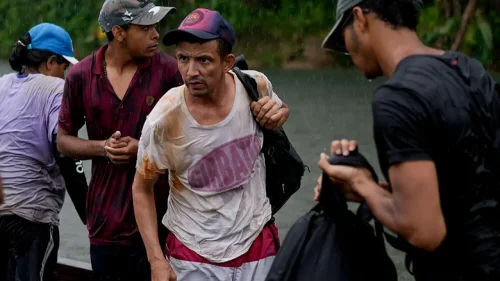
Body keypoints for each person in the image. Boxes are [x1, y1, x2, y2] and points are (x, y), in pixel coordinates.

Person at [316, 0, 500, 280]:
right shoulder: (468, 70)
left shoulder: (398, 98)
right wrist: (372, 188)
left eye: (344, 39)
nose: (349, 53)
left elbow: (424, 230)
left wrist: (360, 183)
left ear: (360, 18)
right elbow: (466, 185)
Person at [132, 8, 290, 281]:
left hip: (257, 241)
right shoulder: (164, 119)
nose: (191, 71)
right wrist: (156, 260)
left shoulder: (255, 85)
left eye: (203, 60)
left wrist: (279, 114)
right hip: (192, 251)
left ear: (227, 62)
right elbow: (141, 189)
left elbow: (278, 110)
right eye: (183, 59)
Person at [56, 0, 182, 280]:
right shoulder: (81, 76)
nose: (156, 35)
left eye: (156, 26)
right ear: (119, 33)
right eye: (146, 27)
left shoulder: (169, 71)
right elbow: (63, 140)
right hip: (105, 223)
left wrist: (145, 150)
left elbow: (193, 138)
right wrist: (102, 148)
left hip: (163, 220)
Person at [0, 23, 78, 281]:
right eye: (64, 68)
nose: (65, 76)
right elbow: (65, 153)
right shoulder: (56, 89)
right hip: (31, 218)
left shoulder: (3, 85)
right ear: (51, 62)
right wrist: (90, 214)